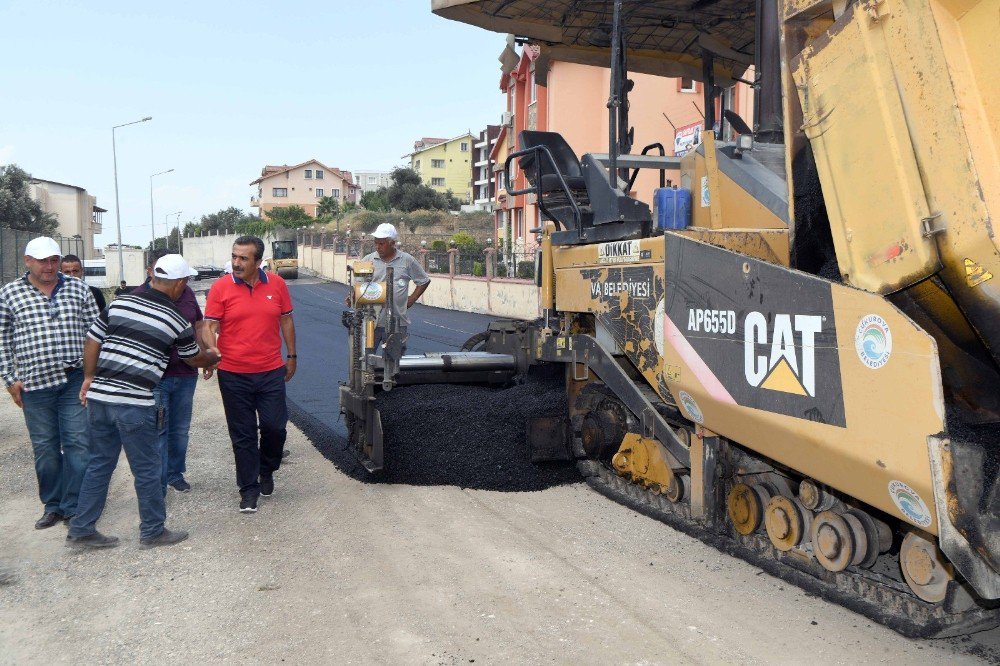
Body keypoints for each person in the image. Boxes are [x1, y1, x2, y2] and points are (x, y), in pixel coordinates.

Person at [67, 254, 220, 550]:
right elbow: (192, 359)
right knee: (148, 468)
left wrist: (89, 377)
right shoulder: (176, 318)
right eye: (185, 281)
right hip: (134, 402)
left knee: (100, 464)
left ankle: (81, 529)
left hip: (100, 398)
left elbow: (92, 341)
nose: (184, 286)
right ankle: (152, 531)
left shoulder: (120, 302)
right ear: (177, 283)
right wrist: (212, 357)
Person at [0, 237, 99, 529]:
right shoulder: (9, 294)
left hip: (74, 380)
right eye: (42, 260)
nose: (49, 266)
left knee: (78, 444)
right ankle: (53, 505)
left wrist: (93, 374)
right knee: (45, 448)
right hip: (34, 384)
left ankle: (74, 507)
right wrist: (9, 379)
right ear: (27, 260)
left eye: (53, 260)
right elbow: (3, 340)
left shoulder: (78, 289)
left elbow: (95, 334)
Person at [202, 236, 296, 514]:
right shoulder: (221, 287)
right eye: (234, 257)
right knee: (242, 435)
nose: (236, 263)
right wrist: (210, 353)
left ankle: (266, 468)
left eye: (243, 258)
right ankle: (248, 489)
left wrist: (292, 356)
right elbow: (209, 326)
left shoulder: (277, 285)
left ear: (258, 261)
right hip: (233, 374)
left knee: (275, 427)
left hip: (270, 372)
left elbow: (286, 320)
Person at [133, 249, 204, 494]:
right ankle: (158, 482)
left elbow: (199, 325)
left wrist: (205, 356)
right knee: (158, 431)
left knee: (180, 429)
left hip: (185, 373)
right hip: (155, 379)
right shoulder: (138, 297)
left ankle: (175, 473)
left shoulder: (187, 295)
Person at [360, 223, 430, 354]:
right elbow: (358, 286)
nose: (377, 247)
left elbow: (424, 280)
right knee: (366, 361)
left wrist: (412, 298)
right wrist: (352, 297)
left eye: (381, 244)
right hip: (371, 323)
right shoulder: (368, 260)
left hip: (397, 323)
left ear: (392, 243)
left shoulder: (407, 260)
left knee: (394, 363)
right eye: (376, 243)